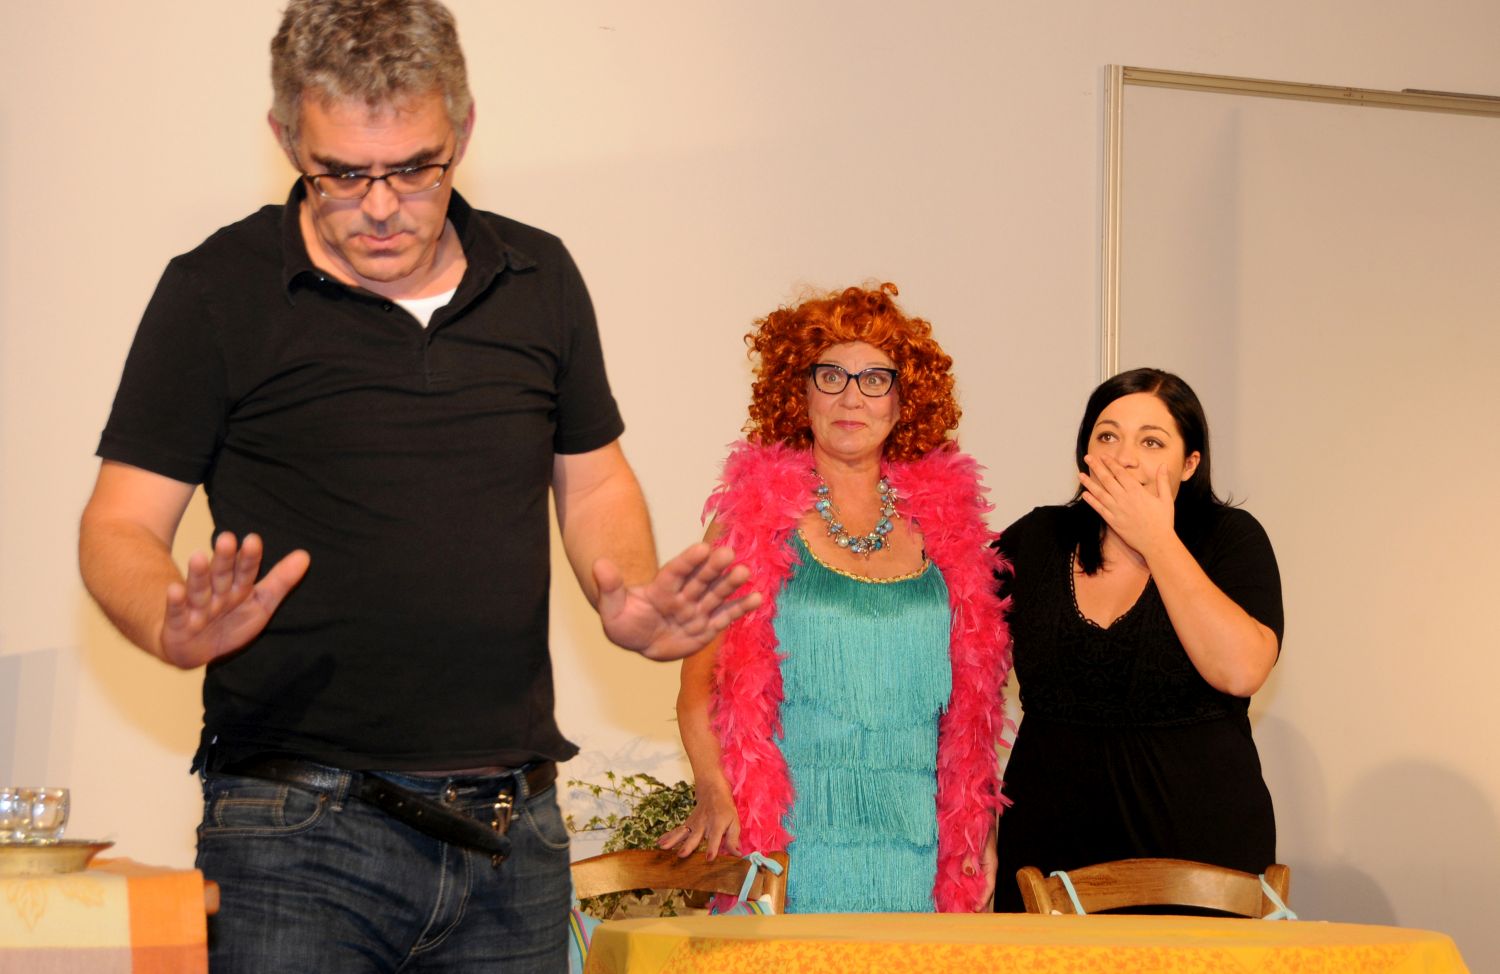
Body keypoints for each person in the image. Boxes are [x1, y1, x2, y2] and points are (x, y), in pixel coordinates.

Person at [76, 1, 756, 969]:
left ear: (463, 132)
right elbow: (118, 523)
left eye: (414, 169)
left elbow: (594, 477)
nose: (382, 206)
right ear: (286, 139)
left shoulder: (539, 276)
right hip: (295, 832)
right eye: (343, 175)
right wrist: (166, 621)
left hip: (512, 833)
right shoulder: (216, 290)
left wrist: (630, 591)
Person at [656, 283, 1010, 913]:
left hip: (918, 848)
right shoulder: (746, 525)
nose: (852, 397)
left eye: (875, 378)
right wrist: (712, 788)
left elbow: (971, 712)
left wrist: (979, 823)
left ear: (903, 399)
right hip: (791, 849)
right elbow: (697, 693)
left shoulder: (948, 531)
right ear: (800, 392)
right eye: (831, 376)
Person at [992, 367, 1283, 913]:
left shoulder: (1230, 540)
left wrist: (1157, 539)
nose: (1124, 457)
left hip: (1198, 861)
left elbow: (1241, 670)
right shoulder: (1038, 538)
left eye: (1151, 442)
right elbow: (949, 644)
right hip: (1046, 859)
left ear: (1189, 463)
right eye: (1107, 436)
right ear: (1085, 455)